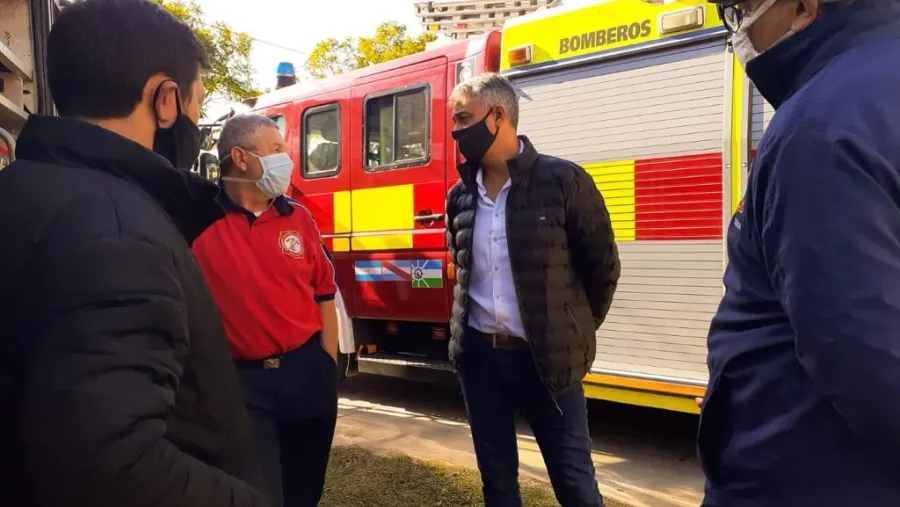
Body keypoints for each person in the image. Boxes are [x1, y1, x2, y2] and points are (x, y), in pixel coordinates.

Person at [0, 1, 268, 506]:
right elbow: (111, 463)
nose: (194, 122)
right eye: (195, 104)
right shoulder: (120, 230)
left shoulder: (22, 189)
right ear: (165, 100)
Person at [700, 0, 900, 504]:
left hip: (808, 477)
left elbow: (865, 363)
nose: (740, 33)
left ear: (805, 8)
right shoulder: (876, 89)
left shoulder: (819, 127)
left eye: (741, 10)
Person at [444, 73, 621, 507]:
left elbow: (603, 269)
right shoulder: (459, 196)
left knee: (575, 486)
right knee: (498, 486)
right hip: (481, 361)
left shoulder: (563, 181)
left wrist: (569, 329)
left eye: (463, 119)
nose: (455, 131)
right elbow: (461, 271)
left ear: (497, 116)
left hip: (547, 363)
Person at [192, 114, 340, 507]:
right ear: (241, 158)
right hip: (239, 383)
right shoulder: (198, 220)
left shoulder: (299, 218)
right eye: (275, 150)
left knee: (304, 491)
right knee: (258, 493)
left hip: (306, 374)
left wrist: (327, 366)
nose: (285, 160)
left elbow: (325, 294)